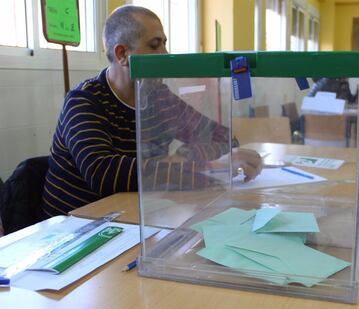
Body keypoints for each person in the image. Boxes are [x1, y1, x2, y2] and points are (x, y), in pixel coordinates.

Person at [41, 5, 262, 217]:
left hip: (139, 214)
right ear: (122, 54)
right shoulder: (83, 102)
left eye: (165, 44)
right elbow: (104, 174)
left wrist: (186, 156)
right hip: (80, 228)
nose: (165, 54)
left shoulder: (159, 96)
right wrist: (206, 165)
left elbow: (224, 137)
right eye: (155, 45)